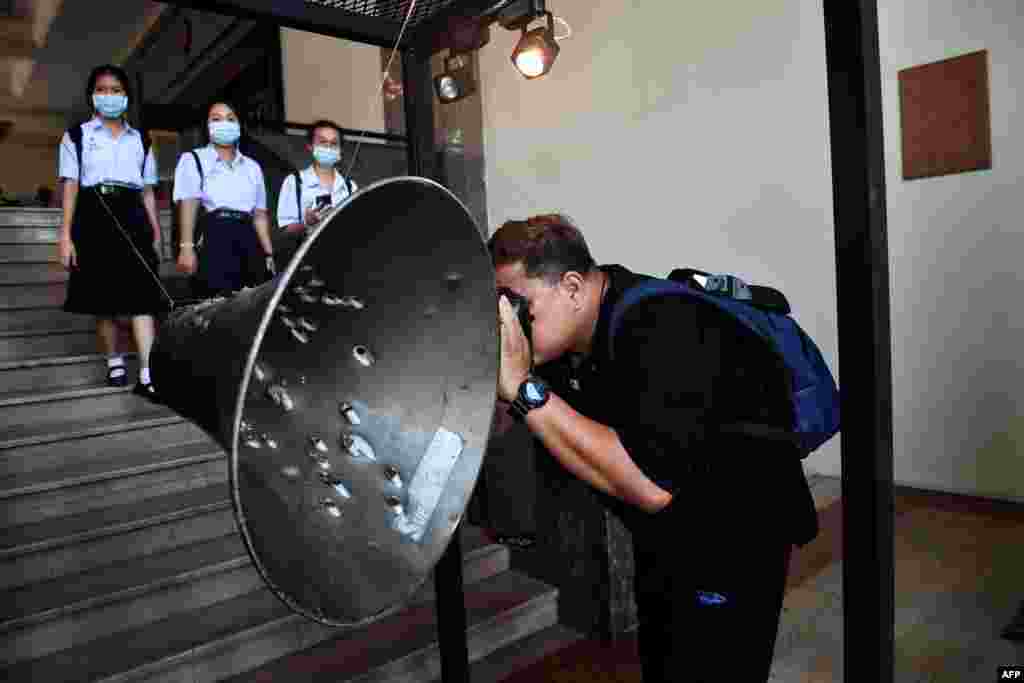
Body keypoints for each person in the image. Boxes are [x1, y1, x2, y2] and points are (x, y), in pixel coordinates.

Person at [489, 214, 820, 682]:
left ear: (571, 287)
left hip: (735, 539)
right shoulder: (571, 347)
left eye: (519, 308)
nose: (512, 326)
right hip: (669, 541)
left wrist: (524, 390)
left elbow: (648, 484)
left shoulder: (662, 326)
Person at [57, 64, 167, 400]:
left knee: (142, 296)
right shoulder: (76, 136)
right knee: (101, 297)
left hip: (133, 213)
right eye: (102, 89)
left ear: (126, 96)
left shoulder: (142, 139)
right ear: (92, 96)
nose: (109, 96)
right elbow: (71, 185)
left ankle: (148, 373)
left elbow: (148, 190)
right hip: (93, 214)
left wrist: (156, 230)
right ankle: (114, 359)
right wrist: (65, 235)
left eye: (116, 90)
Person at [173, 100, 275, 298]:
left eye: (230, 119)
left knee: (251, 304)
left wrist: (268, 253)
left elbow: (260, 215)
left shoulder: (252, 166)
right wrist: (186, 248)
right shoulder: (193, 159)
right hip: (214, 236)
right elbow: (189, 203)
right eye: (216, 119)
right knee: (216, 306)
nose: (224, 124)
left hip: (248, 237)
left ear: (239, 125)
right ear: (207, 126)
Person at [274, 119, 357, 264]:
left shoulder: (350, 186)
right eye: (322, 142)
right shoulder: (294, 182)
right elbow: (286, 231)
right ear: (310, 146)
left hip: (344, 260)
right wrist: (306, 222)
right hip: (305, 260)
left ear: (340, 150)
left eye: (333, 143)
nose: (328, 147)